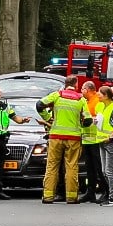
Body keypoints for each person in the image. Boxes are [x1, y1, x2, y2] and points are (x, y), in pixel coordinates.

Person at [38, 75, 92, 204]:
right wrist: (80, 123)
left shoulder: (57, 95)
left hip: (56, 136)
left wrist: (48, 118)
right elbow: (88, 120)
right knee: (71, 166)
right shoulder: (81, 99)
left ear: (65, 83)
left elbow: (39, 105)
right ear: (76, 84)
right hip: (73, 138)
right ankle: (71, 197)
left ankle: (48, 196)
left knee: (52, 166)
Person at [0, 84, 30, 200]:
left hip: (2, 138)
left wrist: (23, 120)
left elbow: (15, 118)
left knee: (0, 166)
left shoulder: (5, 106)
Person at [96, 86, 113, 207]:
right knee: (104, 171)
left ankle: (112, 198)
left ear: (106, 95)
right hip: (102, 141)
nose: (98, 95)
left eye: (100, 93)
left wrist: (110, 136)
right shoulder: (101, 106)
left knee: (109, 171)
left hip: (111, 142)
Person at [79, 81, 104, 203]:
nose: (81, 91)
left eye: (82, 89)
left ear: (88, 89)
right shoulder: (86, 101)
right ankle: (90, 192)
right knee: (89, 168)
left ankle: (105, 191)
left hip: (96, 140)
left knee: (99, 167)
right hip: (87, 140)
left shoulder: (97, 101)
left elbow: (98, 119)